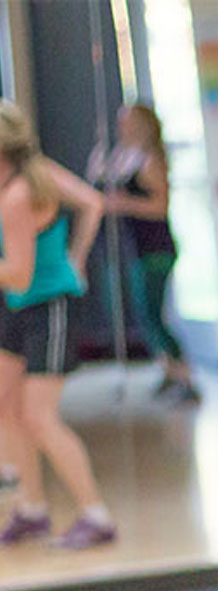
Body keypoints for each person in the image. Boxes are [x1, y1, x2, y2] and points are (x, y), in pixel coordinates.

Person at [0, 100, 116, 549]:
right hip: (17, 307)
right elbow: (92, 201)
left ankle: (96, 514)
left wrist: (72, 264)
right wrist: (77, 254)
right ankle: (31, 510)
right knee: (6, 408)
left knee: (38, 416)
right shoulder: (30, 175)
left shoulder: (19, 194)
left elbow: (19, 273)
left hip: (48, 306)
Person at [89, 104, 198, 404]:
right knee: (144, 313)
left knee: (153, 314)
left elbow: (159, 206)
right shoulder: (127, 159)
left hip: (156, 249)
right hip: (137, 249)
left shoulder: (151, 162)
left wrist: (124, 204)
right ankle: (168, 370)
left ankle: (185, 375)